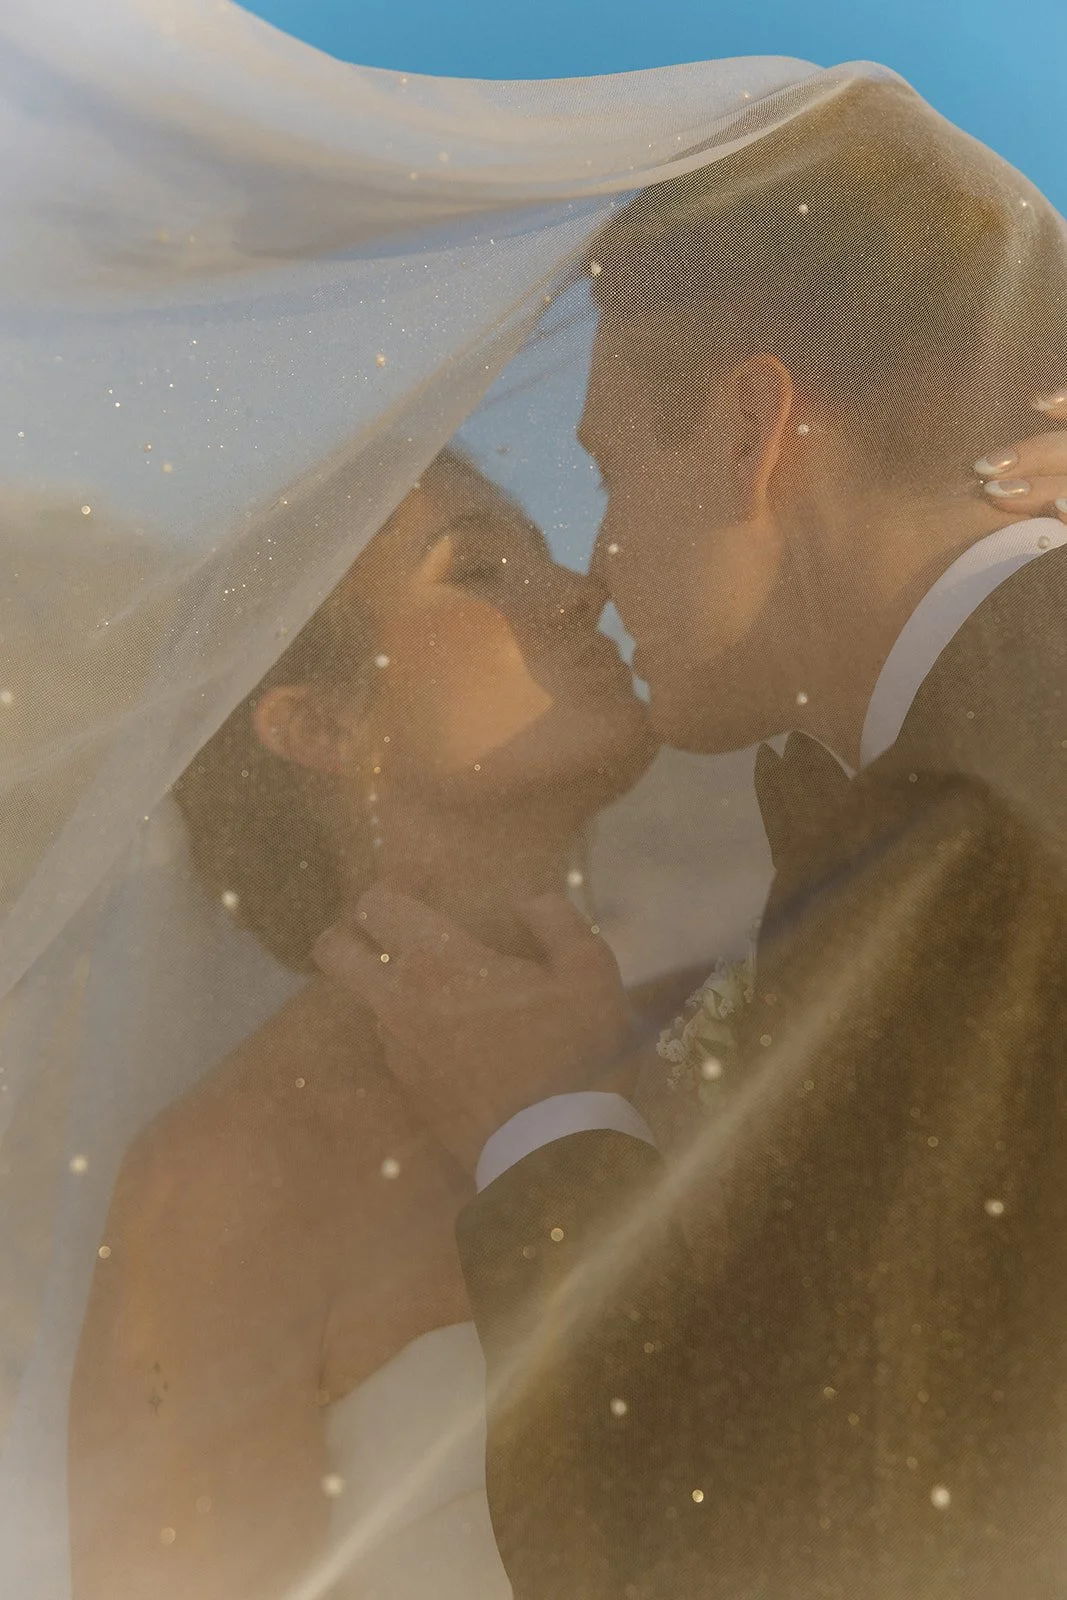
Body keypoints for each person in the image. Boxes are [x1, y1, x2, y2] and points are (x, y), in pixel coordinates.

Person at [314, 79, 1067, 1599]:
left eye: (600, 472)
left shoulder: (981, 846)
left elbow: (766, 1552)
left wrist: (537, 1118)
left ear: (748, 427)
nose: (592, 565)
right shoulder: (937, 772)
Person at [67, 447, 658, 1600]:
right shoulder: (231, 1178)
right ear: (317, 726)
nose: (582, 589)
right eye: (481, 567)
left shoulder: (714, 1037)